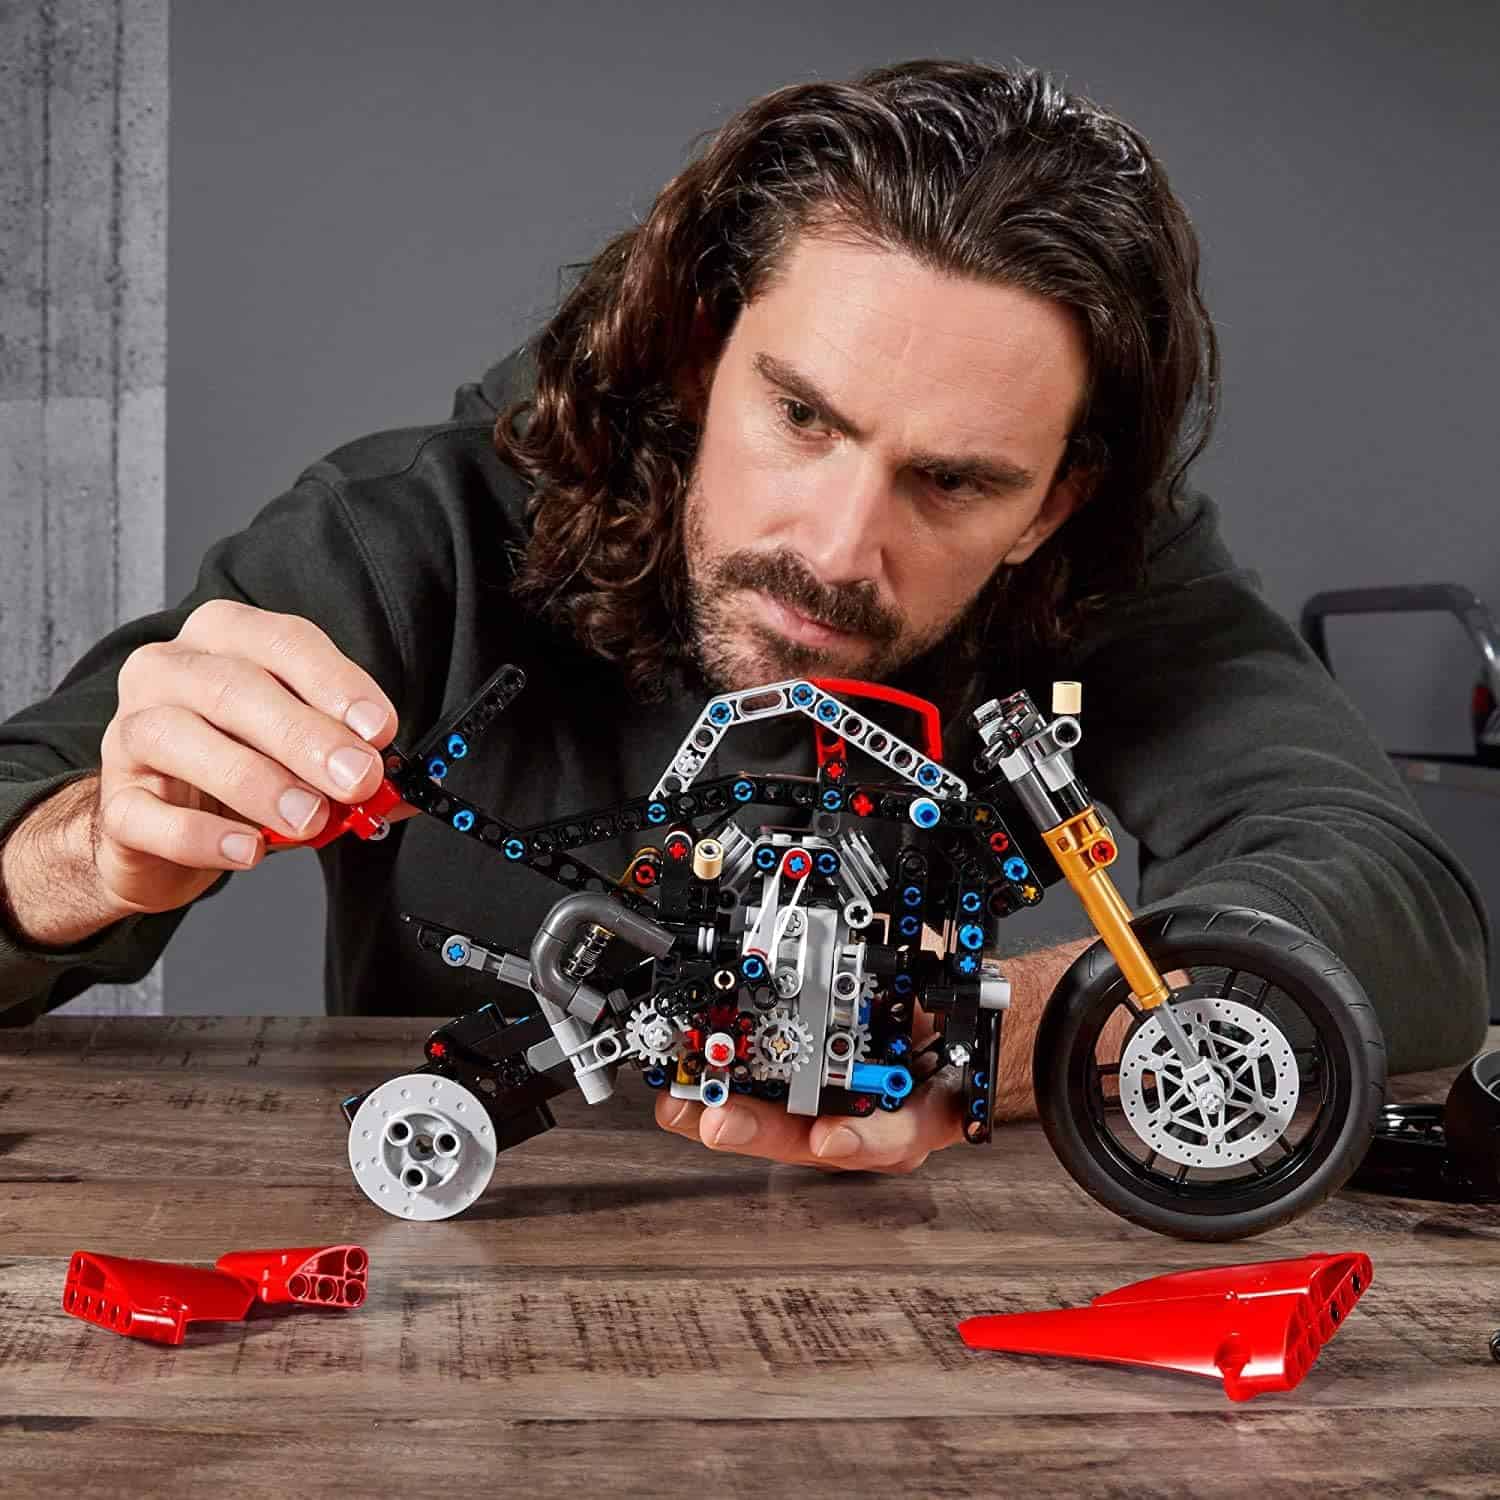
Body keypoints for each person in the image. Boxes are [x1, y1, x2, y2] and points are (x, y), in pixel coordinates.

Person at [0, 59, 1489, 1179]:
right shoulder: (412, 532)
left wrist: (1009, 1033)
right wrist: (91, 849)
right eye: (801, 417)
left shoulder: (1106, 576)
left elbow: (1408, 923)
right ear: (702, 351)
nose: (839, 552)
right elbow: (27, 819)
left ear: (1048, 503)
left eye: (954, 482)